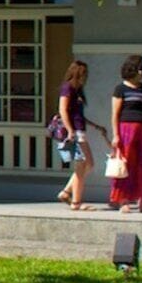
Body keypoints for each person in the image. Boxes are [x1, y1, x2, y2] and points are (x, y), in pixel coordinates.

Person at [110, 57, 142, 212]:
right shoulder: (121, 89)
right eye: (140, 68)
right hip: (127, 129)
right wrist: (116, 135)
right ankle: (124, 201)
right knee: (127, 164)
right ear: (132, 70)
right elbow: (115, 114)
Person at [51, 58, 101, 209]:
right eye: (83, 74)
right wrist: (70, 130)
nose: (85, 77)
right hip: (75, 131)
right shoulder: (68, 88)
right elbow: (63, 110)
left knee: (88, 164)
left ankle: (67, 192)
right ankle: (76, 202)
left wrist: (95, 126)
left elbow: (78, 114)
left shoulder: (78, 90)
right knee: (82, 166)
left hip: (80, 129)